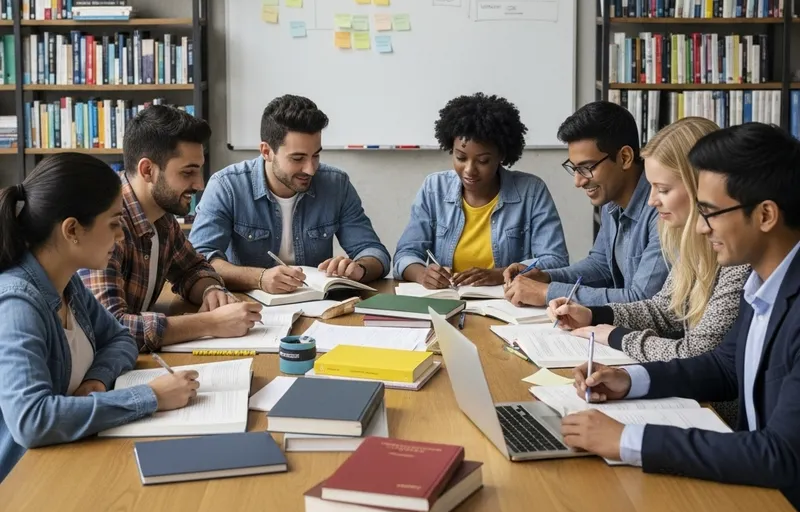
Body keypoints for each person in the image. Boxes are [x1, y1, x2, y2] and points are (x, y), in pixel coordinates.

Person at [563, 122, 800, 511]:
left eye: (709, 212)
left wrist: (628, 440)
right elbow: (725, 367)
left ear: (766, 215)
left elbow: (781, 454)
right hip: (756, 486)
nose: (702, 229)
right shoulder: (763, 278)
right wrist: (629, 380)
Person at [0, 154, 199, 482]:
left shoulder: (67, 281)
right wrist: (150, 397)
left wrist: (97, 380)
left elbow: (120, 337)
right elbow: (31, 420)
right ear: (72, 230)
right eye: (113, 223)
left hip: (67, 456)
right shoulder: (17, 303)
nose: (121, 236)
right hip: (23, 484)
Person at [548, 117, 750, 424]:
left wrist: (616, 336)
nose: (652, 200)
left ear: (701, 186)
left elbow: (698, 352)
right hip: (689, 401)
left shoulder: (739, 259)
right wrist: (595, 315)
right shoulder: (691, 242)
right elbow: (663, 309)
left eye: (662, 188)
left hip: (718, 417)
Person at [81, 106, 262, 351]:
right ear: (148, 170)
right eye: (188, 172)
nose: (199, 184)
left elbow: (192, 268)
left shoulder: (161, 215)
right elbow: (111, 328)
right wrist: (209, 323)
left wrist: (210, 289)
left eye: (199, 171)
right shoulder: (105, 225)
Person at [189, 95, 391, 292]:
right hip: (248, 307)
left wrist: (359, 269)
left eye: (316, 155)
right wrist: (259, 278)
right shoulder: (227, 186)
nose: (311, 169)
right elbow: (199, 260)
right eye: (298, 158)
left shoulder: (336, 184)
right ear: (266, 151)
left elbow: (374, 252)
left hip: (317, 308)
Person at [393, 93, 568, 287]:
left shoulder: (531, 191)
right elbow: (405, 255)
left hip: (509, 304)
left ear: (501, 155)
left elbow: (556, 260)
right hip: (447, 300)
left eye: (483, 161)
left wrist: (499, 275)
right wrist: (422, 274)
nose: (469, 170)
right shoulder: (434, 189)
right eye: (460, 157)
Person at [504, 101, 668, 307]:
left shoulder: (664, 210)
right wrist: (545, 277)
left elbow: (642, 301)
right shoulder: (612, 200)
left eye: (587, 167)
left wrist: (547, 292)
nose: (578, 181)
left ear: (625, 157)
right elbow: (600, 267)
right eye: (574, 169)